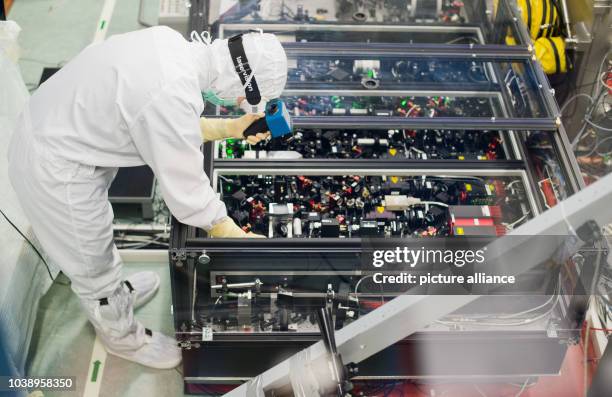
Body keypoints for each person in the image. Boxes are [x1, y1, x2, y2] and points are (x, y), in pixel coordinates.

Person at [7, 27, 287, 369]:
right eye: (245, 99)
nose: (238, 104)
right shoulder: (170, 93)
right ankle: (123, 338)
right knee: (91, 259)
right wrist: (232, 233)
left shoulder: (170, 46)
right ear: (243, 81)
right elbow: (188, 193)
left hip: (55, 126)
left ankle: (118, 296)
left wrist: (228, 128)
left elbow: (161, 123)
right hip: (54, 164)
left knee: (99, 237)